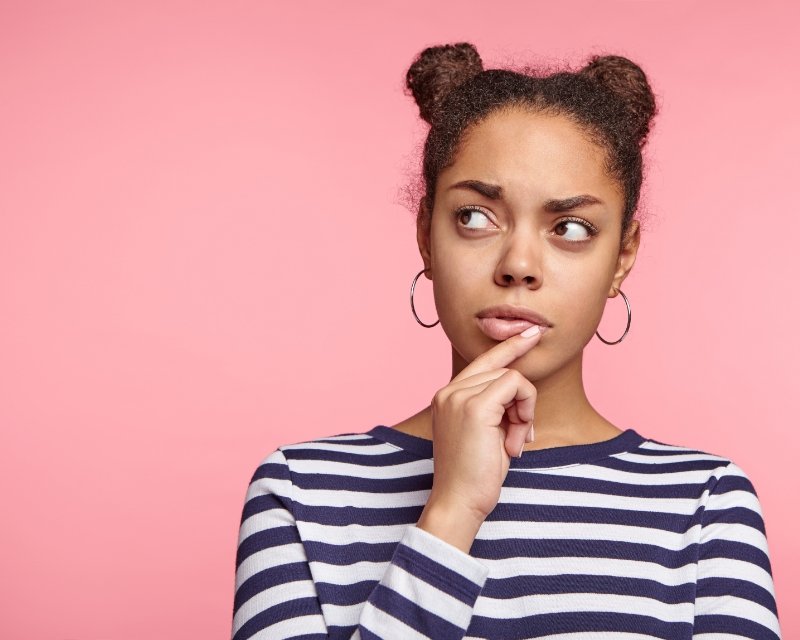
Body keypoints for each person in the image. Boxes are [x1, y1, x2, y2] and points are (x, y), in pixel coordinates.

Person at [230, 42, 781, 639]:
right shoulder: (302, 491)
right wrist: (451, 513)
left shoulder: (703, 507)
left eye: (571, 228)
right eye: (475, 217)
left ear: (622, 258)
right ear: (426, 236)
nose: (519, 265)